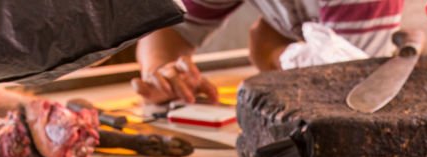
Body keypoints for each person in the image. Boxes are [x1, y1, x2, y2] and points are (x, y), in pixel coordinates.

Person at [133, 0, 404, 105]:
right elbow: (170, 29)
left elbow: (357, 90)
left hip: (413, 91)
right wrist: (162, 70)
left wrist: (272, 52)